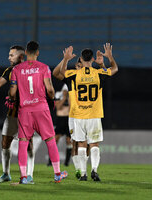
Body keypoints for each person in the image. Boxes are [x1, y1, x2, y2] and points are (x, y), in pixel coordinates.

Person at [8, 41, 67, 184]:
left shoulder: (16, 70)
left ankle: (23, 177)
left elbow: (12, 92)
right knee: (50, 140)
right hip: (41, 108)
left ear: (26, 53)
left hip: (25, 111)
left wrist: (12, 98)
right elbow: (50, 89)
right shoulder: (44, 68)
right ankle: (57, 174)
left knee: (23, 142)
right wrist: (52, 98)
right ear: (38, 53)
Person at [59, 43, 118, 181]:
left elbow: (62, 72)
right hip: (94, 114)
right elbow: (114, 69)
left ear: (81, 58)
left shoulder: (74, 74)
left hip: (78, 115)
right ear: (92, 59)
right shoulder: (98, 74)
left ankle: (83, 173)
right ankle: (95, 170)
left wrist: (66, 59)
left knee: (81, 144)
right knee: (94, 144)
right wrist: (109, 57)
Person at [0, 45, 36, 183]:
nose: (9, 57)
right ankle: (6, 174)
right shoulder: (10, 70)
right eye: (9, 55)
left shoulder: (32, 69)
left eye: (12, 55)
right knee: (5, 142)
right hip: (12, 114)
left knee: (29, 143)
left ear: (21, 57)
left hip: (27, 113)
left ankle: (29, 175)